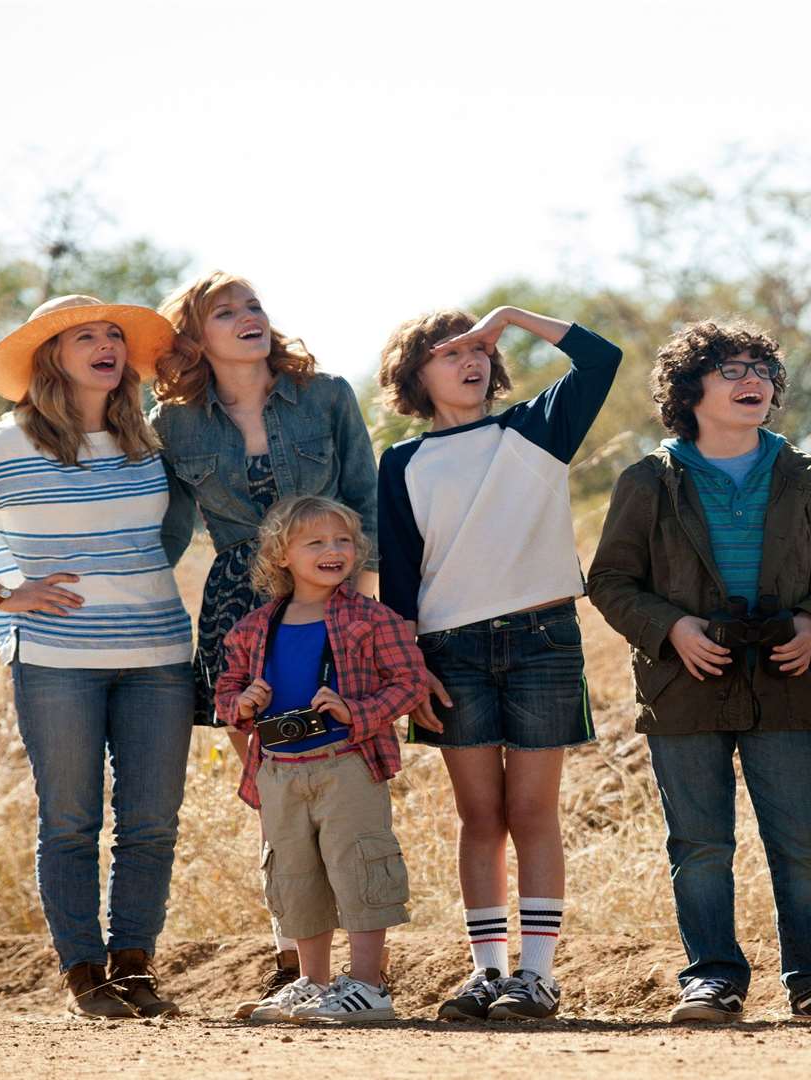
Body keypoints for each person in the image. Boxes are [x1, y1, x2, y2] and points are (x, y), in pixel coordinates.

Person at [0, 295, 193, 1019]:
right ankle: (84, 973)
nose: (106, 346)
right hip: (57, 660)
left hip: (159, 651)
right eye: (85, 336)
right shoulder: (9, 442)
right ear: (50, 358)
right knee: (70, 820)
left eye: (114, 335)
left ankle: (135, 965)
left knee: (152, 820)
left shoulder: (148, 439)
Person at [587, 320, 811, 1024]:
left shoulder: (809, 477)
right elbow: (612, 582)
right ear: (690, 392)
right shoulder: (648, 480)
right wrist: (673, 628)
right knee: (701, 846)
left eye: (761, 369)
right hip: (683, 687)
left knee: (804, 843)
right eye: (731, 370)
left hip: (785, 678)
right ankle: (712, 979)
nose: (753, 381)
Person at [376, 305, 621, 1021]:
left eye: (481, 349)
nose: (471, 360)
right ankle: (487, 974)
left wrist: (512, 314)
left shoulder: (536, 430)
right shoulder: (402, 463)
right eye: (450, 353)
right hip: (451, 654)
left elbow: (601, 359)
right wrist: (410, 668)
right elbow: (399, 578)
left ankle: (536, 977)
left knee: (532, 810)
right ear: (415, 374)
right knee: (479, 816)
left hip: (544, 640)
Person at [150, 270, 382, 992]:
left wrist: (364, 612)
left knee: (345, 774)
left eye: (253, 305)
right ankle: (296, 961)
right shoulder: (174, 425)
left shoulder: (328, 395)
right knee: (274, 780)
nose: (249, 317)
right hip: (236, 610)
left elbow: (367, 502)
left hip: (333, 598)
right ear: (193, 336)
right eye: (226, 312)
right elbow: (164, 532)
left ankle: (366, 969)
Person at [215, 496, 427, 1024]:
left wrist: (356, 710)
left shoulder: (373, 619)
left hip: (347, 762)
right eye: (316, 542)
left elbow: (410, 683)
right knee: (294, 875)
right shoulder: (253, 628)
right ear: (281, 554)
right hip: (278, 770)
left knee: (358, 866)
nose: (333, 551)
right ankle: (311, 982)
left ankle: (368, 986)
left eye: (343, 541)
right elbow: (225, 691)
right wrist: (241, 705)